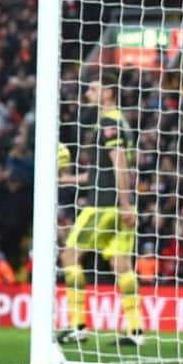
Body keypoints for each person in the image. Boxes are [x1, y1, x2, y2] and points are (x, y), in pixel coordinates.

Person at [55, 75, 144, 347]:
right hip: (118, 205)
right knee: (122, 265)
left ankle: (78, 325)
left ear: (108, 92)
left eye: (93, 88)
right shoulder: (122, 123)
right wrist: (68, 179)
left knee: (69, 255)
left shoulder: (108, 122)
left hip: (104, 206)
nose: (87, 92)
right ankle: (135, 331)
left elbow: (119, 164)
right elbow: (102, 172)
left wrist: (125, 203)